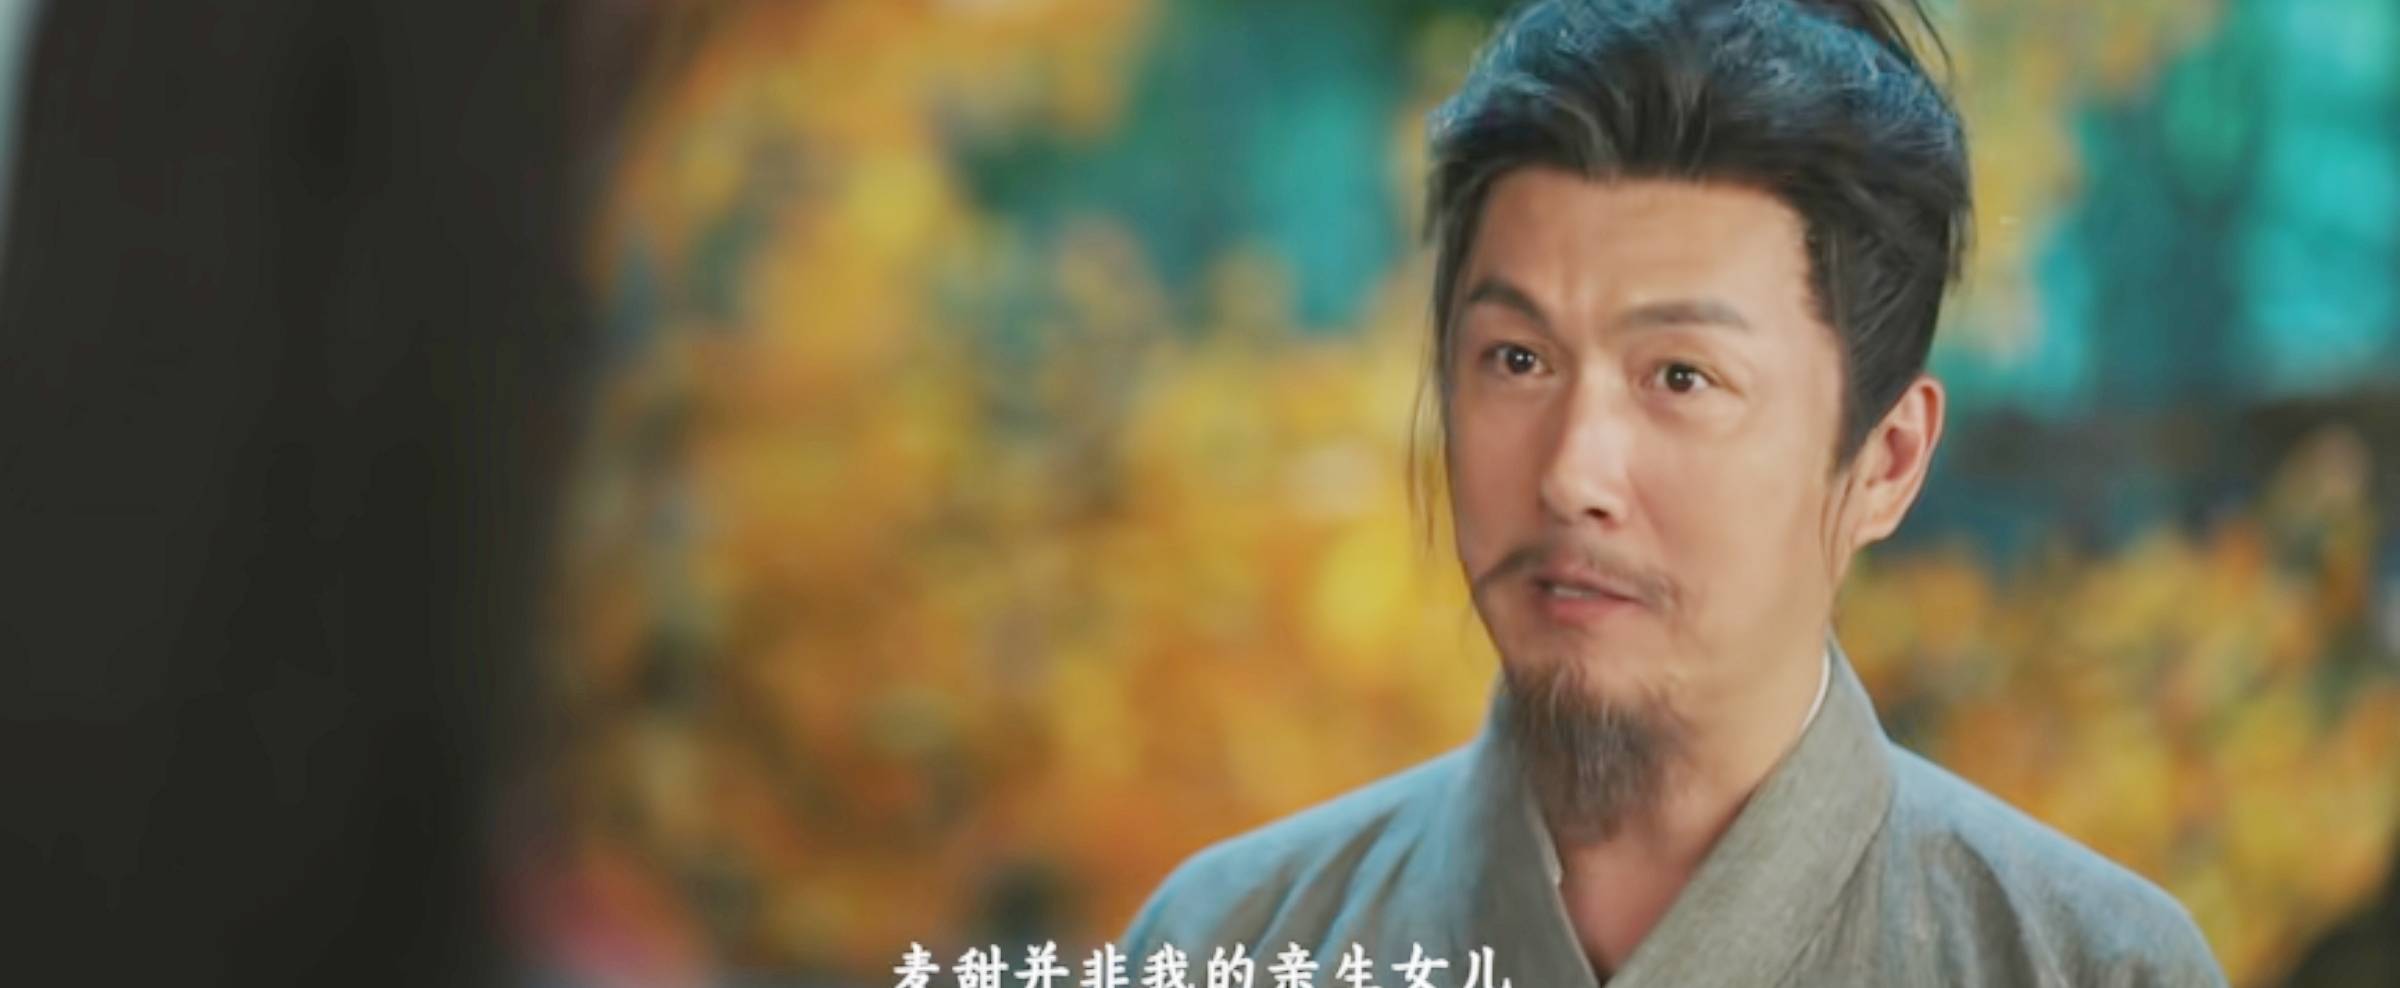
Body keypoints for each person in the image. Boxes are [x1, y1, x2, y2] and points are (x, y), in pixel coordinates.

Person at [1118, 1, 2228, 984]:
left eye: (1682, 377)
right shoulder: (1229, 942)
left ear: (1886, 461)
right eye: (1517, 359)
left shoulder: (2089, 964)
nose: (1572, 474)